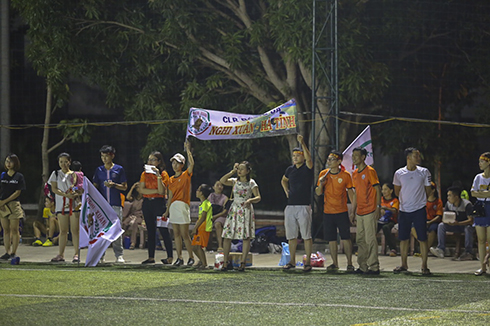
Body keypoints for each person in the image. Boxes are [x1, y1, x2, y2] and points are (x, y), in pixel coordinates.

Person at [392, 147, 432, 275]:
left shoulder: (424, 172)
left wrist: (420, 200)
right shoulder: (399, 173)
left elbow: (428, 190)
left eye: (419, 156)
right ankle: (404, 264)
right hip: (404, 210)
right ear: (408, 157)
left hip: (419, 209)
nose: (419, 158)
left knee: (422, 238)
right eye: (416, 156)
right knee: (403, 238)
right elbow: (397, 191)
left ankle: (424, 266)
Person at [315, 150, 355, 273]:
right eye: (328, 159)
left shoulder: (345, 175)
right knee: (331, 239)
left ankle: (349, 263)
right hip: (328, 212)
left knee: (346, 237)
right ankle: (334, 263)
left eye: (332, 159)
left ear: (339, 161)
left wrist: (353, 210)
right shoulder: (324, 174)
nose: (329, 162)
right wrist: (321, 184)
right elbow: (318, 193)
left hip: (341, 211)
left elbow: (351, 194)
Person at [280, 134, 314, 272]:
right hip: (290, 206)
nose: (295, 158)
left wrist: (303, 143)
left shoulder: (307, 168)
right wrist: (286, 190)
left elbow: (310, 159)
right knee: (291, 236)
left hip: (304, 206)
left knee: (306, 235)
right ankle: (292, 261)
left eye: (298, 155)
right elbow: (283, 180)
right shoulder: (290, 169)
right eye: (294, 156)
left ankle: (308, 262)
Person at [220, 161, 261, 271]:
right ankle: (225, 262)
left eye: (242, 169)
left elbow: (258, 197)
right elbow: (222, 181)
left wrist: (250, 200)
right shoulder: (234, 181)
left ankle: (243, 262)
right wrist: (232, 171)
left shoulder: (251, 183)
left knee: (245, 236)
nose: (239, 171)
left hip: (245, 209)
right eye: (239, 169)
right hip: (234, 208)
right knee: (228, 235)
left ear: (247, 171)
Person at [93, 145, 127, 263]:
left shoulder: (119, 169)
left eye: (106, 156)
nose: (104, 159)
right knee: (101, 231)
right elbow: (95, 187)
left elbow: (124, 187)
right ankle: (101, 255)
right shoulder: (99, 170)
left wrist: (114, 185)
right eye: (102, 156)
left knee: (116, 230)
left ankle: (119, 255)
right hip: (102, 206)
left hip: (115, 204)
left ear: (112, 156)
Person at [164, 141, 195, 266]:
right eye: (173, 162)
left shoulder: (185, 175)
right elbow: (170, 196)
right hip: (173, 207)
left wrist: (188, 150)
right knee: (176, 234)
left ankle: (191, 257)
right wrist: (167, 211)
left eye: (177, 162)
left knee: (184, 234)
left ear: (182, 164)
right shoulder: (171, 179)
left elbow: (192, 164)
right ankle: (180, 257)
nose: (174, 165)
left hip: (182, 206)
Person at [351, 147, 381, 275]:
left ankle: (374, 266)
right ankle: (363, 266)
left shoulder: (370, 171)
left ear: (363, 157)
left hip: (370, 210)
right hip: (360, 211)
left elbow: (377, 189)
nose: (354, 158)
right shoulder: (355, 173)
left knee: (370, 239)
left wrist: (378, 207)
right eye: (353, 156)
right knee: (360, 240)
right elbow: (356, 194)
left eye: (356, 155)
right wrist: (353, 211)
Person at [139, 151, 172, 265]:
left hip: (159, 203)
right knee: (150, 230)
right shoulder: (144, 174)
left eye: (153, 160)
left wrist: (158, 176)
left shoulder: (163, 174)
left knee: (163, 229)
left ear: (158, 162)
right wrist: (155, 191)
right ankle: (151, 257)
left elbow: (162, 191)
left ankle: (170, 257)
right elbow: (142, 190)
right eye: (149, 160)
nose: (150, 162)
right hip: (147, 203)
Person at [48, 153, 80, 263]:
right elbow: (54, 189)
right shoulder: (55, 173)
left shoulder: (74, 174)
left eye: (65, 161)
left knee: (75, 231)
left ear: (69, 162)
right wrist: (66, 195)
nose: (63, 164)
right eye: (61, 161)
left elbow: (79, 187)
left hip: (74, 206)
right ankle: (60, 254)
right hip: (61, 205)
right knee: (63, 231)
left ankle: (77, 254)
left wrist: (75, 194)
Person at [430, 186, 474, 260]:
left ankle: (468, 252)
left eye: (450, 195)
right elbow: (445, 217)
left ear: (456, 197)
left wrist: (458, 223)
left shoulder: (467, 205)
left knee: (468, 228)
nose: (448, 198)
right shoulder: (448, 204)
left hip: (465, 225)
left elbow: (471, 221)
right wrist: (447, 221)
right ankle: (441, 249)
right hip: (454, 225)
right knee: (441, 225)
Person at [0, 154, 26, 261]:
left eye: (10, 161)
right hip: (2, 206)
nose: (8, 164)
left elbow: (18, 192)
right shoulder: (2, 175)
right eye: (6, 161)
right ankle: (7, 252)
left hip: (14, 204)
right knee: (5, 230)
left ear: (15, 163)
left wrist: (5, 201)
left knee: (14, 230)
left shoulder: (19, 176)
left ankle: (14, 252)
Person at [470, 152, 490, 276]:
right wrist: (485, 194)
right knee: (481, 239)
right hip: (480, 207)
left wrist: (481, 193)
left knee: (489, 238)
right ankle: (482, 267)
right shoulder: (478, 177)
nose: (480, 164)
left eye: (482, 161)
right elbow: (473, 193)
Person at [191, 184, 213, 269]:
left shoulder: (206, 204)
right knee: (194, 247)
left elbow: (203, 217)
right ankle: (201, 261)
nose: (196, 191)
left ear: (202, 193)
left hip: (203, 227)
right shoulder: (203, 203)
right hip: (200, 227)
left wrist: (195, 228)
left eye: (198, 190)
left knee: (198, 246)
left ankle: (204, 264)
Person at [377, 183, 399, 257]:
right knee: (372, 228)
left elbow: (394, 210)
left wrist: (384, 208)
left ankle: (393, 249)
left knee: (386, 228)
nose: (383, 191)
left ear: (391, 191)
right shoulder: (380, 200)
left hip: (391, 220)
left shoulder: (395, 200)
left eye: (385, 189)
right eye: (382, 189)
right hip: (380, 220)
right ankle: (366, 249)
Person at [122, 182, 144, 250]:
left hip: (139, 216)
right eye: (137, 188)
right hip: (132, 215)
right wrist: (132, 187)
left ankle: (133, 243)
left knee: (135, 224)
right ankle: (121, 242)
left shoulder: (144, 198)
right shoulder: (134, 198)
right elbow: (128, 197)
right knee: (124, 223)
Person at [208, 181, 228, 251]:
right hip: (211, 216)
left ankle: (220, 245)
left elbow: (224, 211)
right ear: (213, 187)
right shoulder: (210, 196)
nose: (219, 187)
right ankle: (206, 245)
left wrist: (215, 217)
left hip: (221, 216)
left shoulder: (225, 198)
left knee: (217, 224)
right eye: (217, 185)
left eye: (221, 185)